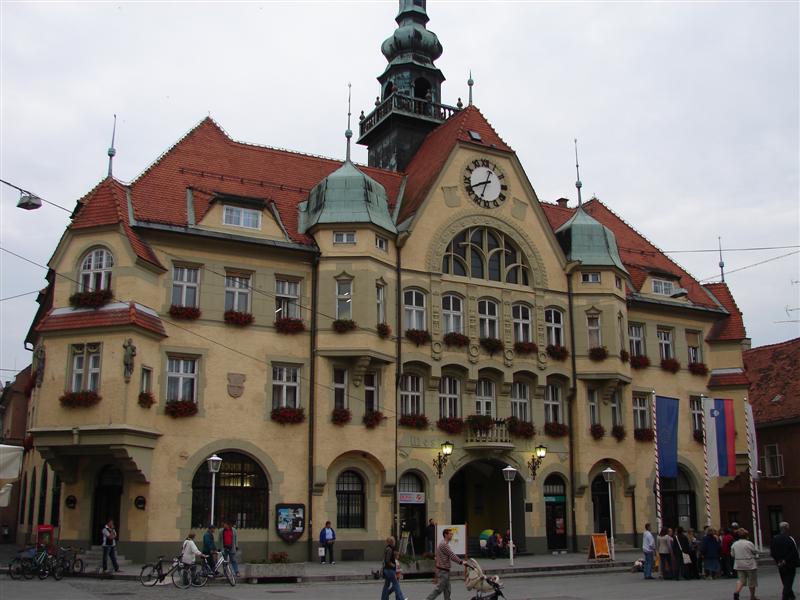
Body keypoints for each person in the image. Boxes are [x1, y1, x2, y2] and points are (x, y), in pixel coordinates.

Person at [425, 528, 464, 600]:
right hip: (443, 571)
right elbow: (452, 555)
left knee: (447, 590)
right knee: (439, 589)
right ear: (446, 535)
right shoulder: (444, 545)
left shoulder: (444, 543)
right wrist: (461, 562)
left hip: (445, 570)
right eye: (450, 534)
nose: (452, 535)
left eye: (452, 534)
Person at [770, 521, 798, 600]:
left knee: (784, 579)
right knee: (789, 580)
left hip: (780, 564)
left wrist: (778, 560)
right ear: (787, 528)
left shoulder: (774, 539)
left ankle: (791, 594)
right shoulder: (790, 539)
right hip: (790, 563)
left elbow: (772, 552)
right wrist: (785, 560)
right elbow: (793, 552)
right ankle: (785, 596)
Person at [732, 528, 758, 600]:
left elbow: (732, 554)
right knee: (752, 581)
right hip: (750, 564)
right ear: (746, 536)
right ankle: (752, 596)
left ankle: (737, 592)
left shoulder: (735, 544)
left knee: (741, 580)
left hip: (739, 564)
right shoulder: (749, 543)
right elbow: (755, 551)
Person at [381, 536, 408, 600]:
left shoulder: (387, 548)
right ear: (392, 542)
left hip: (386, 569)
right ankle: (400, 598)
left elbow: (384, 560)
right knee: (396, 584)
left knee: (386, 585)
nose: (395, 542)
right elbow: (387, 560)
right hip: (390, 570)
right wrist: (393, 565)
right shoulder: (390, 549)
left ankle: (384, 598)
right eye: (394, 541)